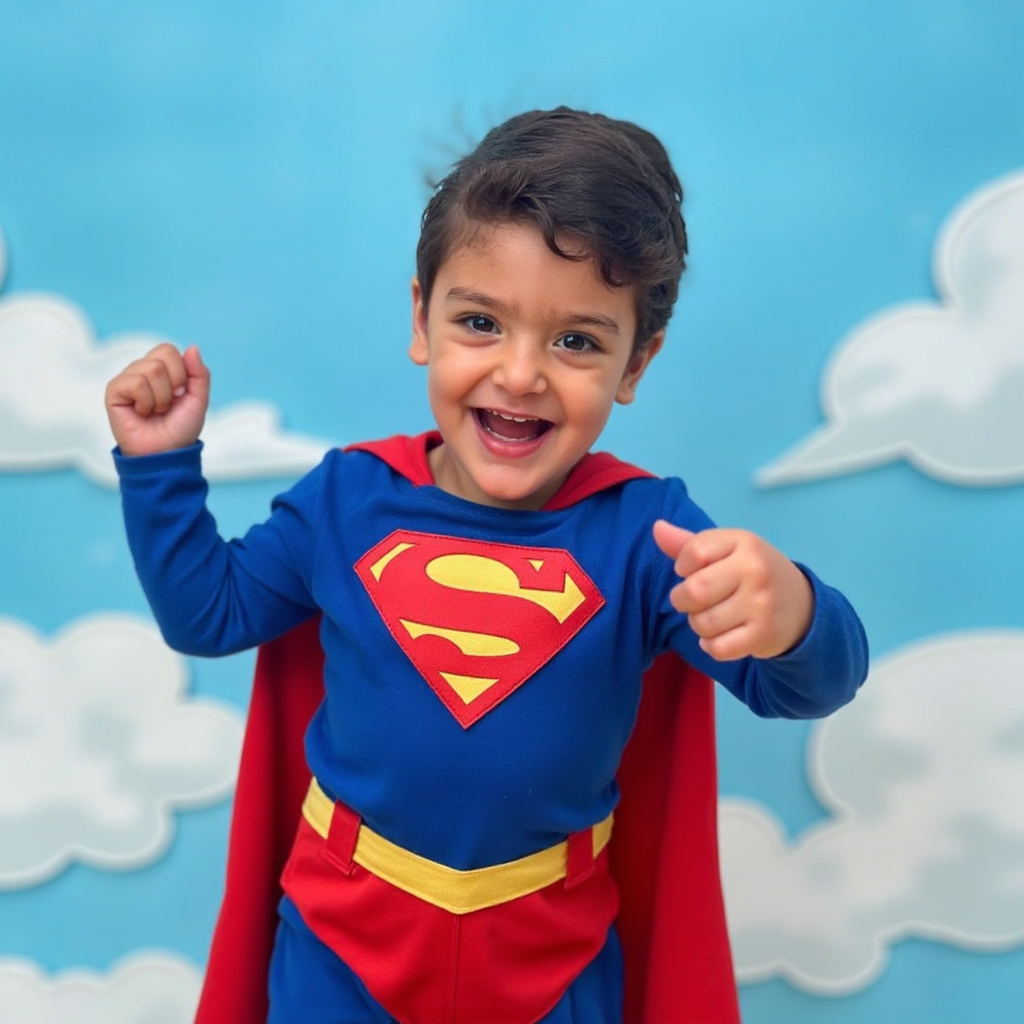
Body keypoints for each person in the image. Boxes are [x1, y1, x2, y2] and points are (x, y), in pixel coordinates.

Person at [105, 107, 868, 1024]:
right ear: (421, 318)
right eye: (480, 321)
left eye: (577, 340)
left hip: (550, 955)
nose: (520, 374)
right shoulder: (348, 500)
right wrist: (159, 467)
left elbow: (804, 687)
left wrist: (791, 614)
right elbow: (210, 614)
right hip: (342, 944)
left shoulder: (642, 534)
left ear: (637, 363)